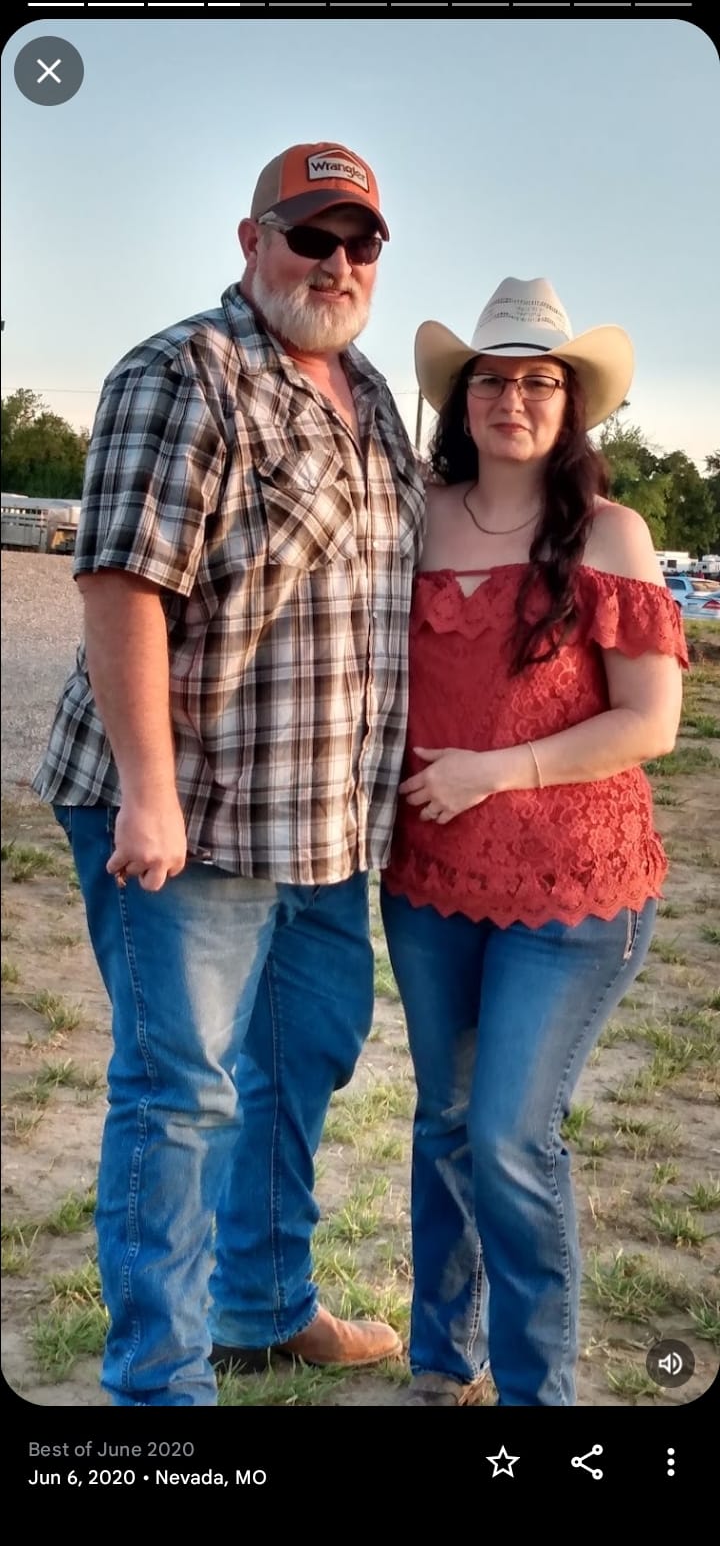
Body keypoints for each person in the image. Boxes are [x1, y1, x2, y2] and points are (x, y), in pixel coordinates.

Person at [33, 140, 426, 1407]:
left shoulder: (374, 397)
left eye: (360, 243)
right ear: (252, 241)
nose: (338, 264)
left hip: (322, 822)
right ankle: (161, 1387)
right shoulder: (181, 371)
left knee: (304, 1054)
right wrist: (149, 791)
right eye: (311, 236)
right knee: (182, 1094)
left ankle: (262, 1306)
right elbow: (122, 585)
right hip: (189, 812)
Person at [380, 276, 688, 1407]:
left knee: (511, 1134)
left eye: (540, 381)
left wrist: (494, 769)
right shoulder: (416, 518)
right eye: (492, 380)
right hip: (429, 881)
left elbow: (650, 723)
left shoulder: (610, 532)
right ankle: (439, 1359)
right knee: (447, 1123)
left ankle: (535, 1392)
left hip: (574, 889)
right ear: (461, 400)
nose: (513, 399)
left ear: (572, 403)